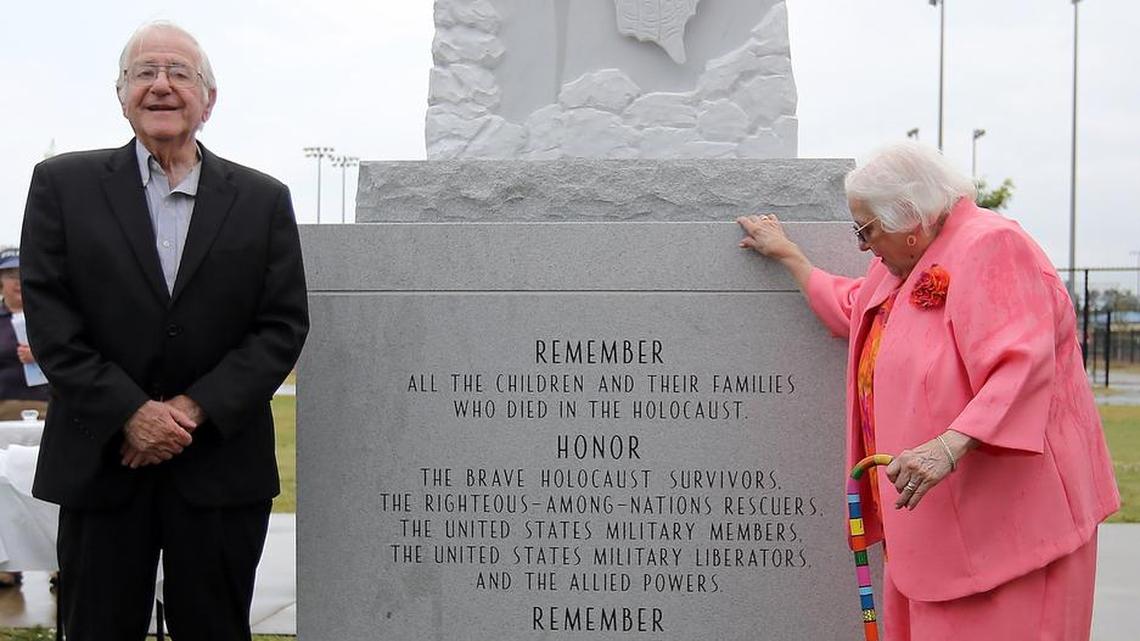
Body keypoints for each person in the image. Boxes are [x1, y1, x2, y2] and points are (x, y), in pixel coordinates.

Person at [737, 142, 1119, 641]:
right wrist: (790, 256)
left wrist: (949, 445)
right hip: (928, 529)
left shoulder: (993, 245)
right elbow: (856, 312)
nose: (862, 245)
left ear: (910, 223)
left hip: (1008, 531)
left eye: (866, 229)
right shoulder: (897, 267)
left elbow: (1021, 365)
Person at [20, 21, 308, 640]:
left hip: (221, 471)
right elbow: (51, 319)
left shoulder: (263, 200)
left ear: (209, 99)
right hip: (102, 464)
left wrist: (189, 410)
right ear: (120, 95)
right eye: (144, 73)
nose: (162, 86)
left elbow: (281, 327)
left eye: (180, 73)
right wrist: (130, 412)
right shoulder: (61, 186)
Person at [0, 246, 50, 589]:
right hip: (3, 410)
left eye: (21, 275)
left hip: (48, 408)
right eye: (9, 276)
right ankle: (5, 563)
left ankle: (58, 560)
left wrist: (41, 354)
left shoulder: (49, 315)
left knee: (47, 483)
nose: (17, 282)